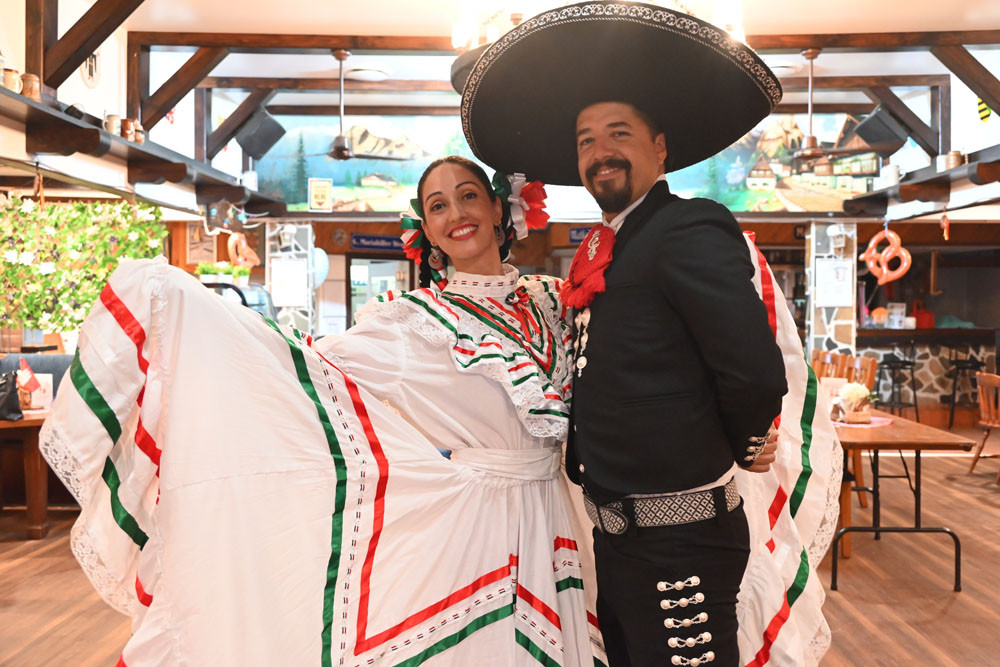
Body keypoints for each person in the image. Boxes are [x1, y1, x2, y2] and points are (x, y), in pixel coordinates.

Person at [39, 156, 604, 666]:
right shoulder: (414, 321)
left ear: (500, 208)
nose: (456, 212)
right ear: (427, 231)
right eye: (437, 205)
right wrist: (187, 309)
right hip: (479, 526)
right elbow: (303, 368)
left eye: (467, 195)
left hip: (556, 511)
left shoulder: (552, 298)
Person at [457, 2, 842, 666]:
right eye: (585, 140)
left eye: (617, 133)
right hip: (622, 543)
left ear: (659, 147)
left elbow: (751, 366)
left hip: (683, 539)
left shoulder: (687, 227)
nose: (599, 151)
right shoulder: (614, 243)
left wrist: (746, 438)